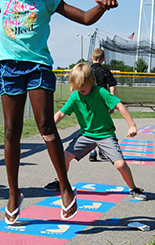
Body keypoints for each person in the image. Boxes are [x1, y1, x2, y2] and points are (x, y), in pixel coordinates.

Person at [0, 0, 118, 223]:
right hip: (9, 68)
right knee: (11, 131)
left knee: (46, 126)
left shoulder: (47, 1)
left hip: (38, 67)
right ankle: (13, 193)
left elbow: (83, 17)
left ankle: (65, 188)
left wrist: (102, 7)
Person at [43, 63, 147, 201]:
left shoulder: (100, 92)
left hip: (105, 135)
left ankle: (133, 188)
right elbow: (60, 114)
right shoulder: (75, 97)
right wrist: (47, 127)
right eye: (77, 85)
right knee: (63, 158)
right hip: (86, 135)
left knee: (120, 164)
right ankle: (61, 182)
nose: (81, 88)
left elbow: (119, 106)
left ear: (91, 80)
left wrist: (132, 125)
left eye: (84, 84)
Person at [89, 48, 118, 161]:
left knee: (91, 126)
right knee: (103, 127)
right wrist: (112, 103)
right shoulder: (106, 72)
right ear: (103, 59)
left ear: (91, 58)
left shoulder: (88, 71)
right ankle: (102, 150)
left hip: (90, 102)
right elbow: (112, 87)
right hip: (103, 102)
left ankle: (92, 152)